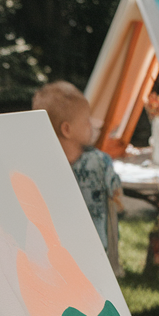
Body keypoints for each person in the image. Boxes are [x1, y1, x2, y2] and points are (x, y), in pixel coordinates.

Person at [32, 80, 123, 262]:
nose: (93, 124)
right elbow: (117, 194)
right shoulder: (99, 161)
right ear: (67, 129)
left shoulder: (40, 167)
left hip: (56, 253)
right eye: (86, 121)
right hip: (98, 250)